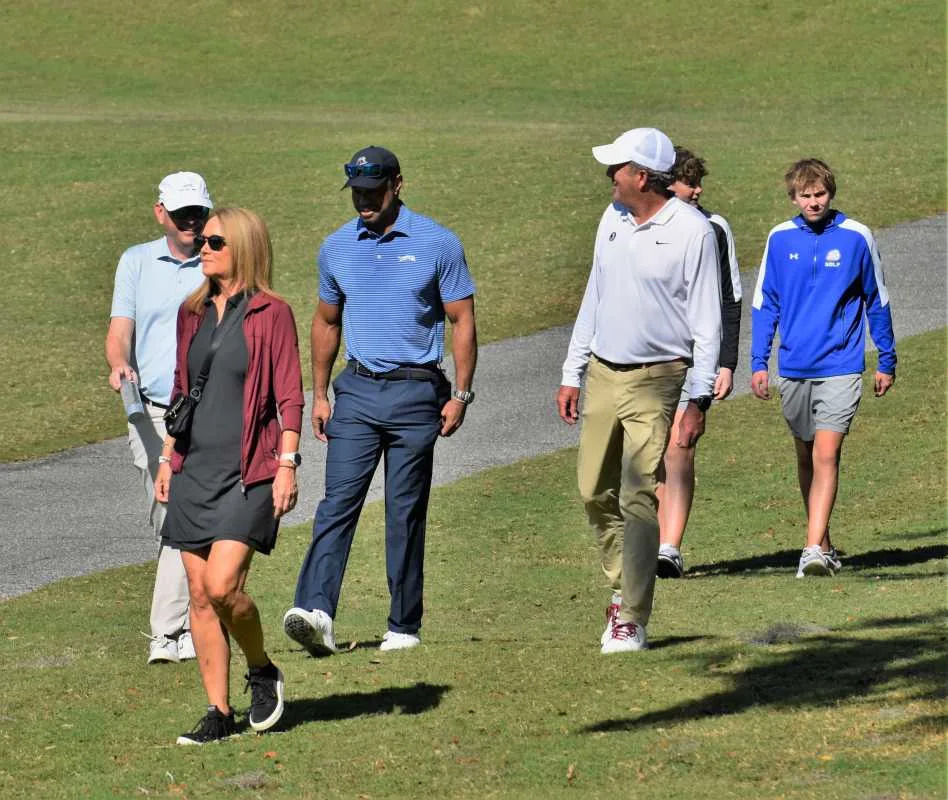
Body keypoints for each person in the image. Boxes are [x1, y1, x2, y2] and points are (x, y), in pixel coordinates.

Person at [283, 145, 477, 656]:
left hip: (418, 392)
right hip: (357, 391)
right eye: (357, 194)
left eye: (373, 192)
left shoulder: (438, 243)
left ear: (397, 184)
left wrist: (460, 393)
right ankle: (316, 611)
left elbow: (462, 320)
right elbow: (326, 322)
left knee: (404, 510)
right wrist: (319, 393)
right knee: (337, 502)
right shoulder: (337, 248)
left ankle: (403, 625)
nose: (363, 202)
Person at [557, 127, 721, 654]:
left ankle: (632, 616)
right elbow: (594, 295)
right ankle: (620, 581)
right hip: (604, 372)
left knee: (638, 494)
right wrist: (572, 369)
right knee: (591, 490)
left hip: (659, 377)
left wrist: (698, 400)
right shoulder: (612, 218)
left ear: (642, 176)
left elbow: (708, 323)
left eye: (617, 169)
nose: (609, 177)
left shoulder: (693, 231)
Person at [154, 207, 304, 745]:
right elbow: (180, 390)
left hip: (250, 472)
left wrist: (287, 465)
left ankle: (261, 668)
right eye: (202, 239)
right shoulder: (191, 312)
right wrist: (170, 458)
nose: (203, 246)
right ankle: (218, 711)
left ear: (242, 248)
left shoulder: (272, 313)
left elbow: (289, 396)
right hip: (195, 468)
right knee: (199, 595)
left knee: (223, 586)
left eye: (215, 240)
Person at [750, 158, 896, 578]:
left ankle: (811, 548)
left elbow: (878, 299)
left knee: (827, 452)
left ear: (831, 194)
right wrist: (759, 362)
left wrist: (886, 357)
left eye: (820, 195)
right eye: (806, 196)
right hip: (793, 365)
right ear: (793, 198)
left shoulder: (856, 237)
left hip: (842, 364)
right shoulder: (779, 239)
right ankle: (825, 543)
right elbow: (765, 304)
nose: (814, 202)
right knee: (806, 456)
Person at [105, 171, 213, 665]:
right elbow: (120, 329)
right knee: (167, 515)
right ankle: (191, 622)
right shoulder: (136, 262)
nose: (191, 222)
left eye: (198, 212)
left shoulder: (219, 261)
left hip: (206, 405)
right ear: (160, 213)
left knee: (181, 516)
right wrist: (118, 363)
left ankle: (168, 634)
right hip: (150, 409)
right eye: (181, 213)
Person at [656, 147, 743, 578]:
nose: (697, 190)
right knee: (648, 450)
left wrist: (726, 363)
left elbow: (730, 298)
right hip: (647, 357)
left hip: (697, 359)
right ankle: (647, 542)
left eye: (697, 182)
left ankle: (669, 546)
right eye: (688, 182)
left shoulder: (714, 227)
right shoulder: (636, 224)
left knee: (681, 445)